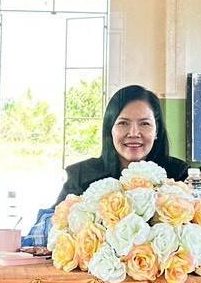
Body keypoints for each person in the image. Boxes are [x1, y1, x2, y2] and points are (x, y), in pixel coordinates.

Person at [54, 84, 189, 203]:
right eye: (123, 123)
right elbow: (51, 219)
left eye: (144, 123)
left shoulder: (178, 175)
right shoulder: (80, 175)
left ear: (157, 131)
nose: (134, 133)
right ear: (110, 129)